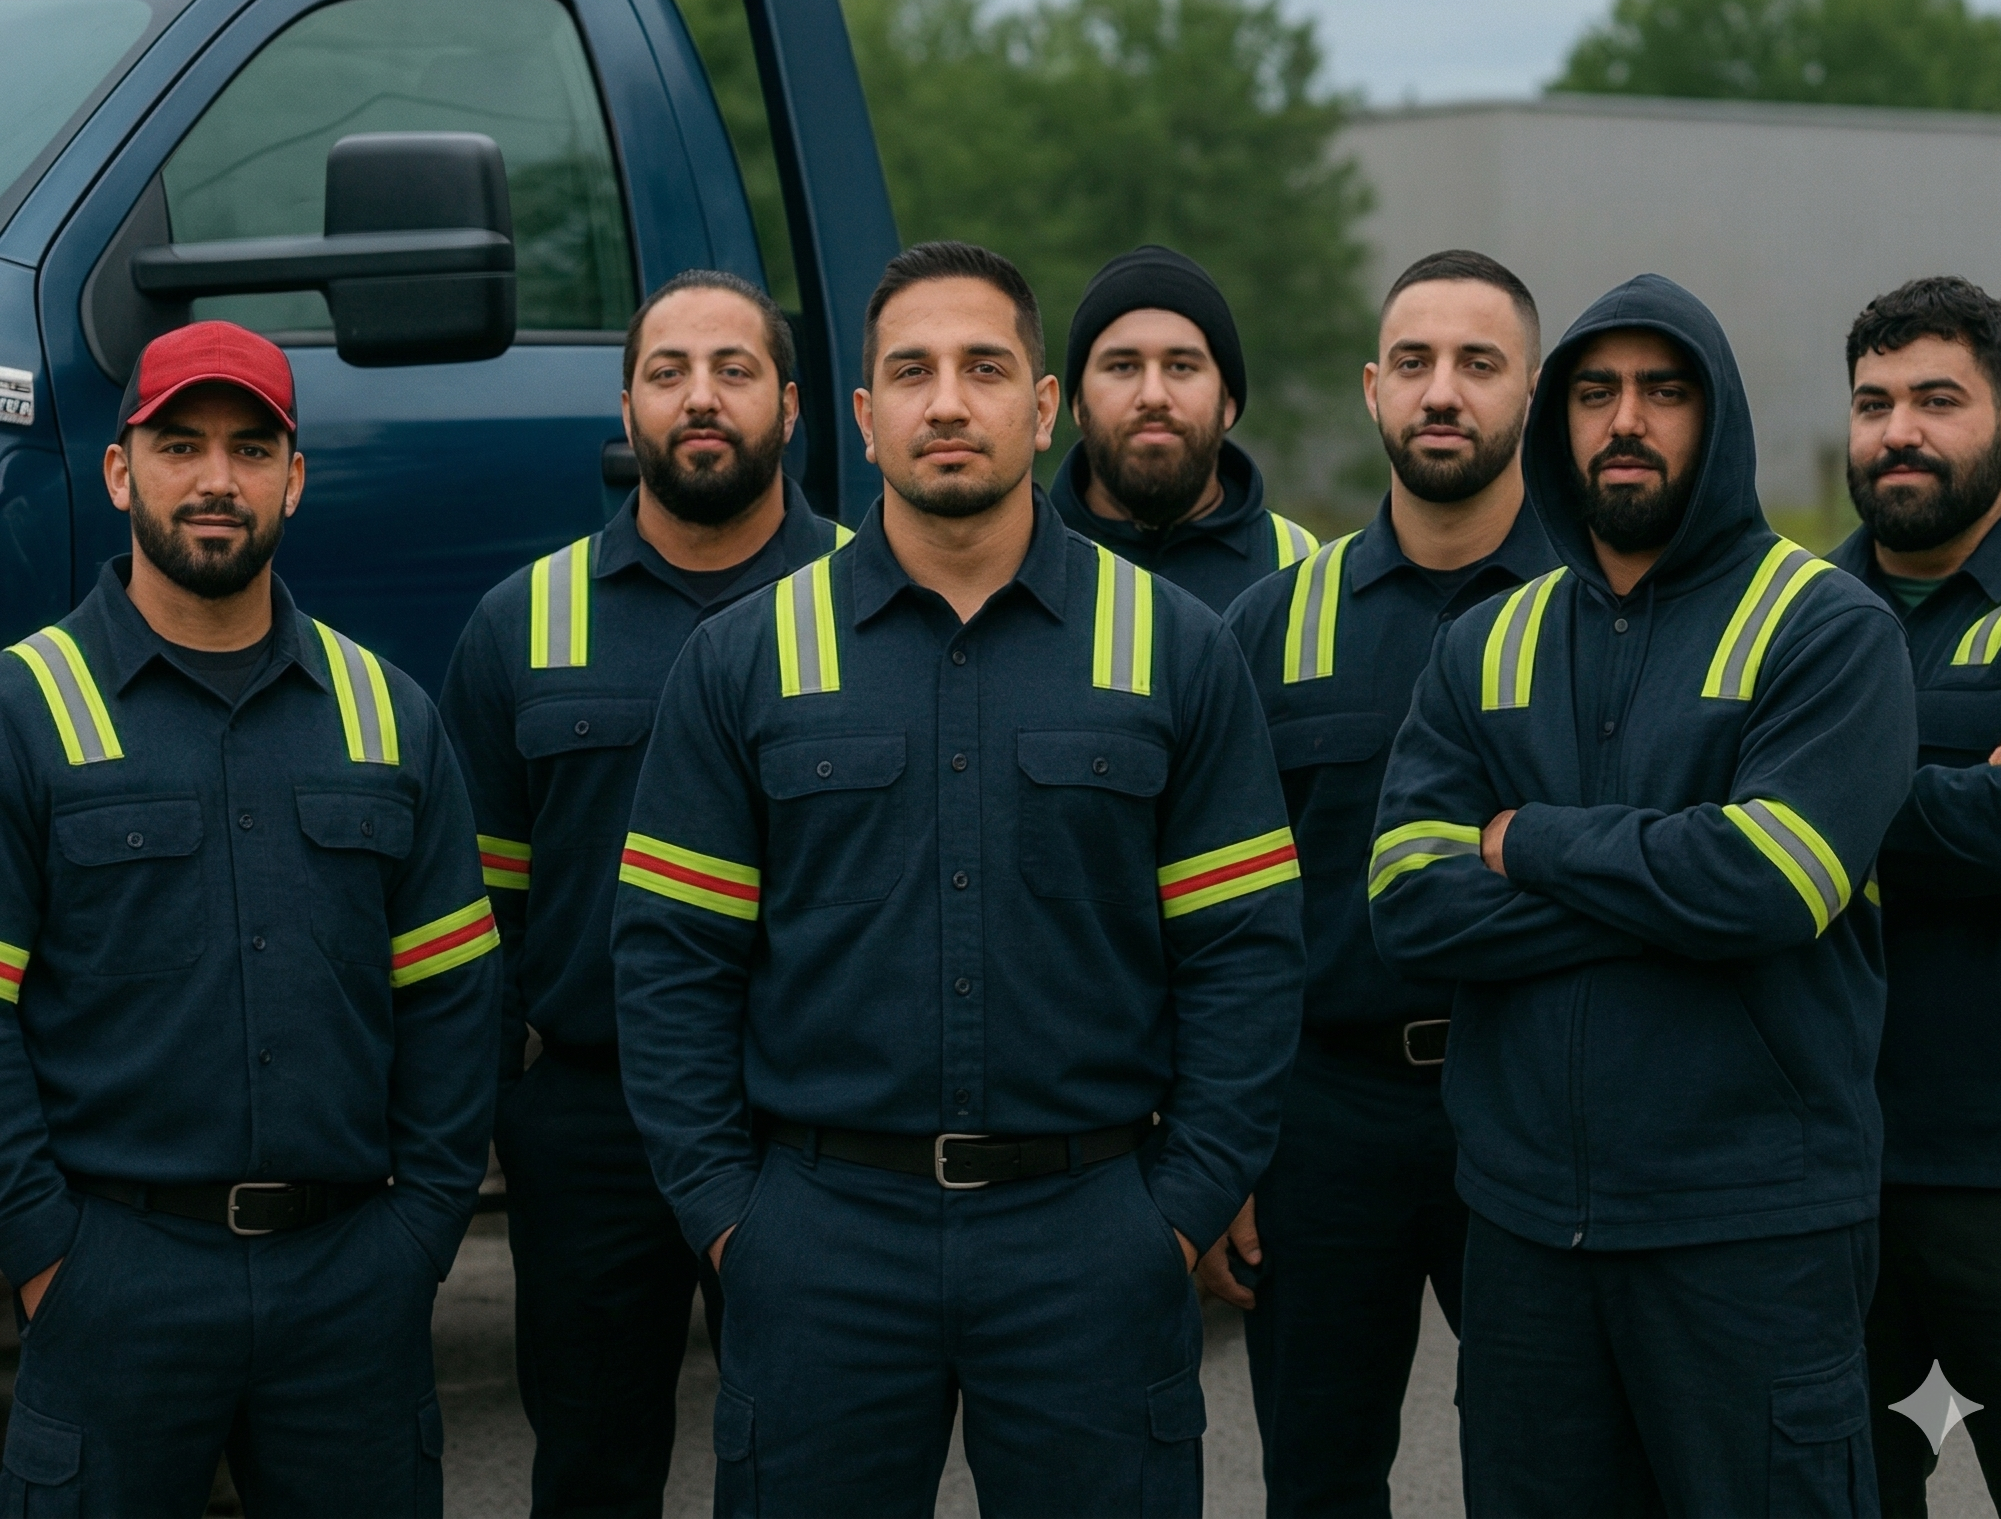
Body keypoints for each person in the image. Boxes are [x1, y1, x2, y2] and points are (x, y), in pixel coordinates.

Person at [611, 240, 1304, 1517]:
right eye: (912, 372)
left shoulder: (1175, 648)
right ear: (865, 418)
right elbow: (669, 962)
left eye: (984, 368)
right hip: (820, 1239)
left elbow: (1245, 955)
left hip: (1091, 1236)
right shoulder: (742, 660)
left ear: (1042, 410)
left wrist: (1176, 1209)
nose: (947, 401)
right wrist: (731, 1221)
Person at [1370, 273, 1917, 1518]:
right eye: (1597, 391)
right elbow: (1407, 897)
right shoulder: (1483, 642)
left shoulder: (1826, 627)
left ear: (1714, 416)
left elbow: (1771, 882)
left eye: (1663, 391)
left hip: (1752, 1234)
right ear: (1558, 419)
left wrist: (1528, 840)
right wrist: (1669, 887)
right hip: (1523, 1236)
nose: (1626, 419)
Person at [0, 320, 498, 1517]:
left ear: (294, 477)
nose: (216, 479)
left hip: (349, 1288)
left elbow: (455, 999)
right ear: (122, 471)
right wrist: (45, 1258)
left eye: (250, 447)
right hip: (114, 1282)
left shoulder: (389, 711)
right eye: (180, 444)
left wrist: (418, 1235)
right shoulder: (27, 707)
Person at [439, 270, 847, 1519]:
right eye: (668, 372)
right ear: (627, 407)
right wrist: (513, 1111)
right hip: (592, 1128)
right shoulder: (525, 624)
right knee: (591, 1463)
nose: (701, 397)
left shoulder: (868, 597)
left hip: (812, 1114)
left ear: (790, 401)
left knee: (807, 1464)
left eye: (733, 368)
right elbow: (473, 918)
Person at [1217, 250, 1551, 1517]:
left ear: (1530, 387)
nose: (1441, 391)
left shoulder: (1595, 609)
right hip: (1321, 1121)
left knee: (1543, 1468)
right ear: (1371, 388)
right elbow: (1222, 918)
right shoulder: (1273, 623)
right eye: (1412, 362)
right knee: (1316, 1474)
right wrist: (1227, 1145)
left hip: (1528, 1096)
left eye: (1477, 362)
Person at [1828, 276, 2001, 1518]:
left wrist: (1806, 802)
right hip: (1826, 1165)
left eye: (1934, 399)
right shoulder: (1793, 610)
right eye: (1871, 402)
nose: (1896, 429)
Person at [1051, 244, 1318, 611]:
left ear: (1227, 403)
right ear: (1078, 404)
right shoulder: (1024, 559)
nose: (1154, 396)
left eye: (1181, 367)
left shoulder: (1304, 567)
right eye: (1123, 366)